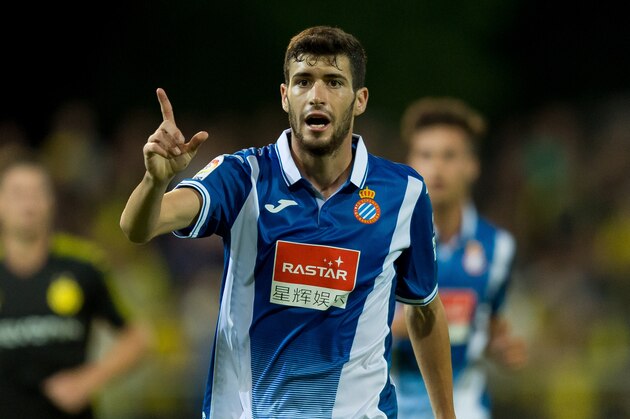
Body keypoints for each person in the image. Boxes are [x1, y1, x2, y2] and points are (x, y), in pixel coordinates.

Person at [120, 26, 455, 419]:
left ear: (359, 99)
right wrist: (155, 180)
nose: (317, 95)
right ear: (285, 96)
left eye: (333, 82)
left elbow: (424, 309)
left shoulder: (403, 192)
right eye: (303, 82)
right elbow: (138, 227)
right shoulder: (244, 176)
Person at [391, 97, 527, 418]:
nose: (436, 168)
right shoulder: (387, 238)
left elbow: (490, 322)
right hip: (392, 396)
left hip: (464, 400)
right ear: (410, 163)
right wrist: (419, 322)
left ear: (472, 165)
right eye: (426, 155)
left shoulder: (499, 247)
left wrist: (501, 348)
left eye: (449, 156)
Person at [0, 147, 149, 419]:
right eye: (18, 194)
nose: (28, 204)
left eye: (37, 193)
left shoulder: (82, 266)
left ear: (51, 201)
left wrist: (89, 380)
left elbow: (138, 338)